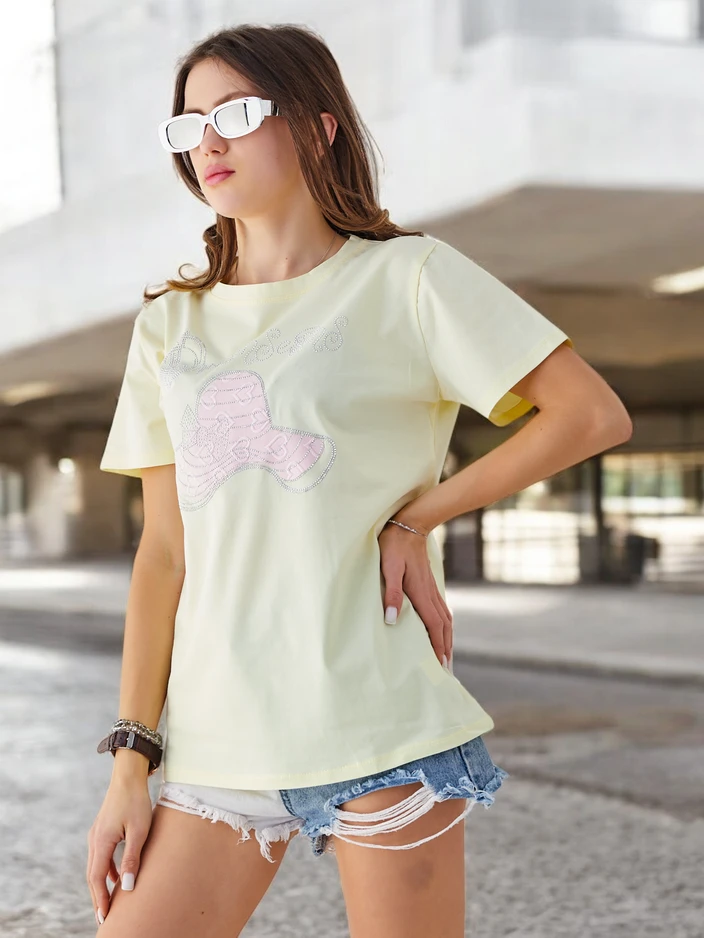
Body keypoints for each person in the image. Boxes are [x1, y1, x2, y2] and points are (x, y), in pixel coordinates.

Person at [85, 22, 632, 938]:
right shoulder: (168, 327)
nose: (209, 141)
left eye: (237, 113)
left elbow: (590, 414)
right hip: (216, 738)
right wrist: (130, 764)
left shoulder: (408, 279)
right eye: (189, 124)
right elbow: (164, 556)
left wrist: (420, 517)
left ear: (317, 126)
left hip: (380, 726)